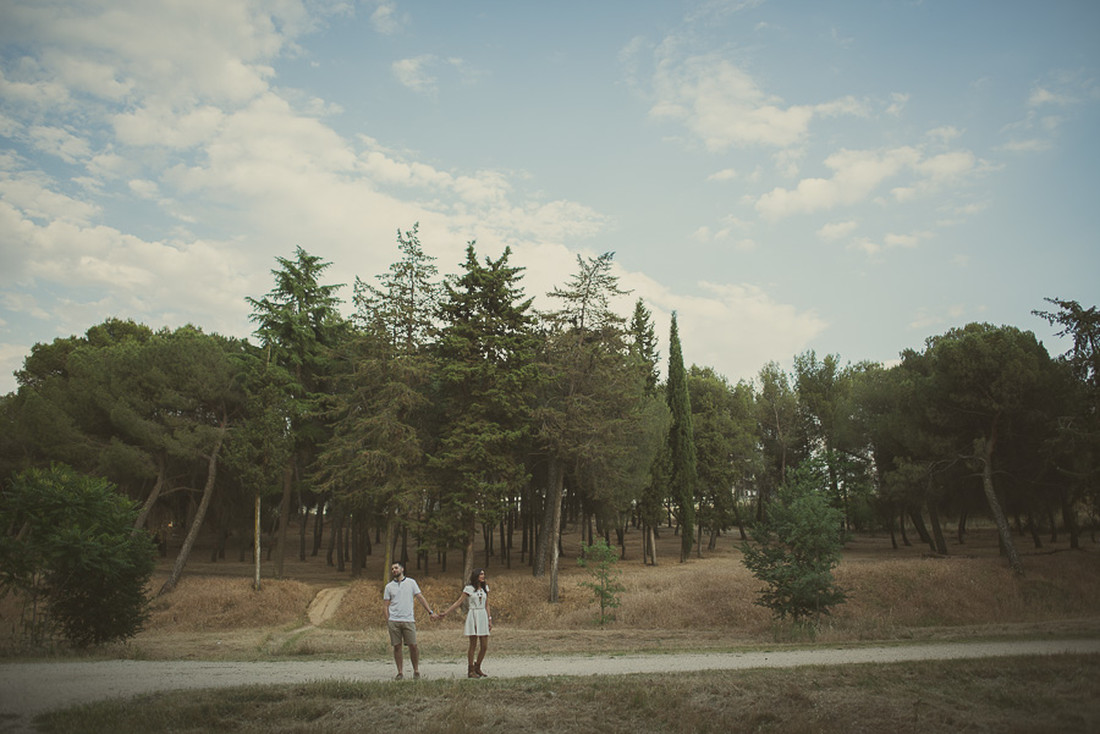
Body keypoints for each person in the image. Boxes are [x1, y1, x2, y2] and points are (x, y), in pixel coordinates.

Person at [382, 561, 436, 680]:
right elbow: (385, 605)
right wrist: (388, 620)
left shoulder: (411, 583)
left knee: (413, 645)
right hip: (394, 620)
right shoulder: (389, 586)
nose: (394, 570)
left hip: (408, 619)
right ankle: (400, 672)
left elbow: (420, 597)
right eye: (392, 569)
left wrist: (430, 612)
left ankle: (416, 670)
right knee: (397, 646)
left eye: (396, 568)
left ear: (402, 569)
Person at [439, 567, 492, 678]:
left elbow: (487, 605)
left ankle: (478, 666)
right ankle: (470, 669)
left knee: (484, 645)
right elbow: (458, 602)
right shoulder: (469, 589)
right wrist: (446, 612)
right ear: (476, 575)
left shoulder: (485, 588)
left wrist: (489, 619)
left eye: (484, 574)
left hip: (482, 615)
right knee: (473, 644)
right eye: (481, 574)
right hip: (473, 614)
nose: (483, 576)